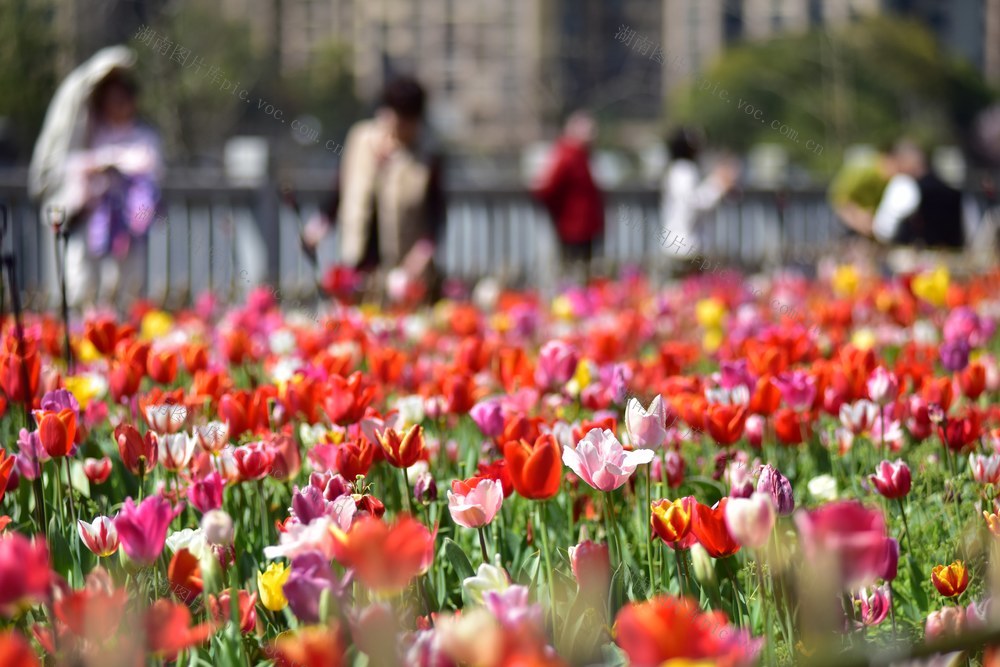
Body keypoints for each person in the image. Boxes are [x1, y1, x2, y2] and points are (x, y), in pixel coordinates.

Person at [29, 46, 163, 311]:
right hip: (91, 222)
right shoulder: (89, 131)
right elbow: (71, 164)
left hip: (128, 225)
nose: (119, 106)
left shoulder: (144, 136)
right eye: (112, 99)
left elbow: (150, 166)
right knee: (84, 287)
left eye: (124, 99)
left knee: (125, 287)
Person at [302, 76, 444, 303]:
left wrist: (422, 254)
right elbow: (341, 188)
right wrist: (319, 225)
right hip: (358, 260)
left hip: (402, 266)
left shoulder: (427, 154)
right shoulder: (360, 140)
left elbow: (436, 213)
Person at [837, 140, 965, 249]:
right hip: (855, 230)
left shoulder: (897, 182)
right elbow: (839, 198)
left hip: (874, 232)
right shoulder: (865, 169)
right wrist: (859, 220)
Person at [532, 111, 604, 280]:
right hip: (572, 227)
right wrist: (559, 213)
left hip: (585, 226)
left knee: (585, 271)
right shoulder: (567, 156)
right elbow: (548, 188)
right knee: (574, 271)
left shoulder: (582, 156)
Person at [659, 127, 738, 268]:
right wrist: (718, 183)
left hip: (683, 243)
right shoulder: (683, 171)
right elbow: (694, 202)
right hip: (685, 243)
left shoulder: (679, 169)